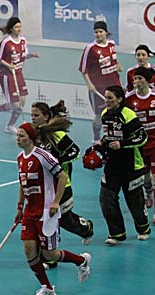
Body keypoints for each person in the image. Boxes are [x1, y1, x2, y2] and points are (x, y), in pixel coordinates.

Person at [14, 122, 91, 295]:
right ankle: (47, 288)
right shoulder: (20, 158)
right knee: (29, 250)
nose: (18, 139)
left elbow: (62, 177)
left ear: (31, 138)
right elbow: (22, 183)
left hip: (46, 212)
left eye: (22, 136)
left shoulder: (43, 156)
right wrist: (19, 207)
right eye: (17, 135)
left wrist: (56, 202)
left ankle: (81, 261)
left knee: (49, 254)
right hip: (30, 211)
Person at [30, 101, 94, 270]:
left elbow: (75, 151)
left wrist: (56, 162)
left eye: (36, 115)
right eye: (32, 115)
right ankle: (49, 257)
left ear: (46, 116)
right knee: (47, 220)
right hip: (44, 187)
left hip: (61, 185)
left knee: (64, 220)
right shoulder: (34, 135)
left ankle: (85, 228)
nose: (33, 118)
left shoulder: (57, 135)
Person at [88, 85, 150, 244]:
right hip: (112, 164)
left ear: (120, 99)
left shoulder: (128, 114)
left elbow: (142, 137)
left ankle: (143, 228)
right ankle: (117, 234)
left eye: (110, 98)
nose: (106, 101)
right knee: (106, 198)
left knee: (134, 202)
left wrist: (122, 144)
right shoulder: (105, 114)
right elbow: (109, 136)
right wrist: (100, 144)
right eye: (106, 97)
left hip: (131, 164)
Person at [125, 67, 155, 225]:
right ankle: (148, 193)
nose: (136, 81)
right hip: (139, 143)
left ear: (147, 80)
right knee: (145, 177)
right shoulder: (129, 98)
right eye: (135, 79)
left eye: (139, 78)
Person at [0, 17, 39, 134]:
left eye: (20, 26)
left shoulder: (23, 41)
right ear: (11, 29)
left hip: (19, 74)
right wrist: (9, 65)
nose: (19, 29)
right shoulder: (6, 42)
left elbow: (23, 56)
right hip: (7, 76)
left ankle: (10, 126)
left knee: (22, 102)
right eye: (16, 27)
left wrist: (32, 55)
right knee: (15, 105)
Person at [79, 21, 123, 141]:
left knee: (118, 111)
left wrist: (118, 65)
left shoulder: (112, 44)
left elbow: (113, 60)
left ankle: (115, 136)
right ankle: (96, 138)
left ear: (106, 32)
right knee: (99, 115)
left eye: (100, 31)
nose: (98, 34)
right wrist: (89, 84)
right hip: (98, 88)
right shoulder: (90, 48)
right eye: (96, 32)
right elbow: (83, 69)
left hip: (114, 84)